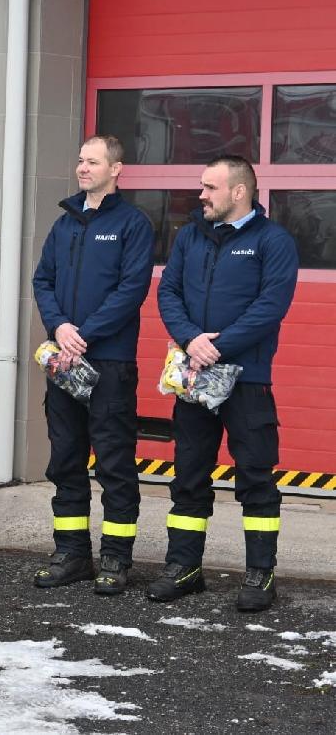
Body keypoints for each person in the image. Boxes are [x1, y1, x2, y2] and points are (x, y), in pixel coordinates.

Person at [151, 155, 298, 612]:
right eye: (202, 186)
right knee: (190, 473)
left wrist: (220, 345)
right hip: (195, 377)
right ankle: (184, 567)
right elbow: (168, 292)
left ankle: (260, 573)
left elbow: (271, 304)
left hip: (247, 379)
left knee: (255, 475)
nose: (201, 195)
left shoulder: (273, 241)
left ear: (239, 191)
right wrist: (191, 339)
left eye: (210, 187)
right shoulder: (191, 236)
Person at [31, 135, 154, 594]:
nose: (83, 168)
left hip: (109, 364)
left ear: (116, 169)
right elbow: (42, 279)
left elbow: (131, 290)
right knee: (65, 459)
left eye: (93, 161)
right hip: (65, 362)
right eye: (80, 160)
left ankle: (117, 559)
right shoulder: (65, 224)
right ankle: (71, 553)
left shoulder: (132, 224)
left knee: (115, 463)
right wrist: (60, 326)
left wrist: (85, 334)